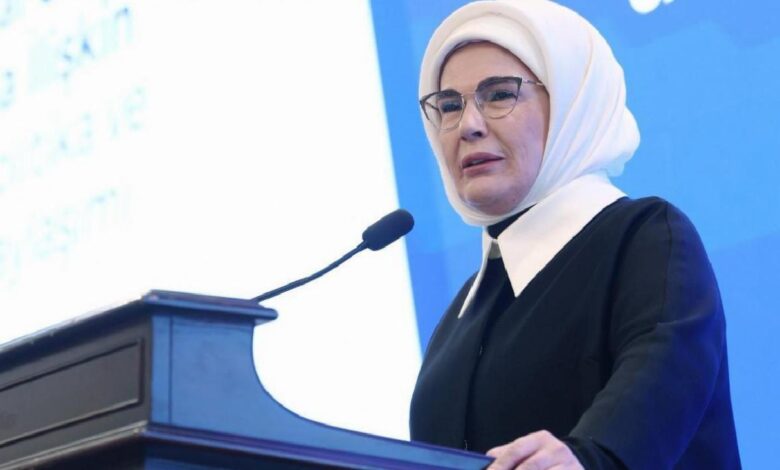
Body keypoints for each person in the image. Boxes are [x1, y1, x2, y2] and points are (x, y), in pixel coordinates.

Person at [408, 1, 741, 469]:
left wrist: (587, 459)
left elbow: (660, 392)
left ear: (571, 104)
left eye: (499, 94)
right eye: (448, 105)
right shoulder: (460, 314)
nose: (468, 125)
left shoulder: (644, 239)